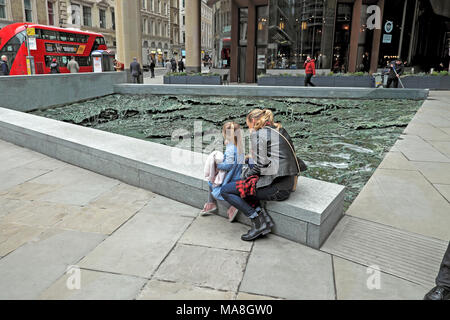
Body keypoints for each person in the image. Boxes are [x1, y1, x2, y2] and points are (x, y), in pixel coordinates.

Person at [220, 109, 300, 241]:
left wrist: (244, 177)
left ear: (252, 121)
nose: (248, 128)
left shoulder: (259, 135)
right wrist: (249, 159)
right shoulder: (279, 129)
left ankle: (258, 222)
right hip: (287, 182)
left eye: (248, 125)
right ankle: (263, 216)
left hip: (277, 189)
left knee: (227, 190)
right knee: (249, 176)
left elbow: (259, 166)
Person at [201, 122, 244, 222]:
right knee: (210, 183)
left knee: (216, 190)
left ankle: (231, 207)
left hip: (231, 178)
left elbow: (228, 165)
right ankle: (210, 204)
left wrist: (217, 164)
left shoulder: (230, 149)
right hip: (237, 175)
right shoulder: (239, 146)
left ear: (225, 133)